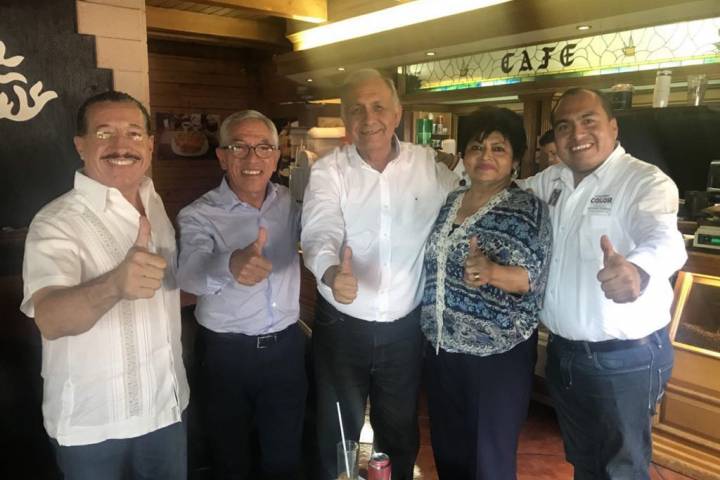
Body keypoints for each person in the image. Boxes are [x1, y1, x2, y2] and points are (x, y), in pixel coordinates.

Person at [518, 88, 687, 479]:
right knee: (585, 463)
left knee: (620, 470)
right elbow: (507, 192)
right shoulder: (552, 180)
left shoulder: (644, 181)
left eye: (588, 121)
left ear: (613, 127)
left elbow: (664, 238)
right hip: (564, 355)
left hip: (624, 360)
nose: (577, 133)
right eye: (564, 126)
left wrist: (638, 271)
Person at [20, 91, 189, 479]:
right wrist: (114, 285)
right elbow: (50, 319)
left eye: (134, 133)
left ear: (150, 144)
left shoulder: (154, 201)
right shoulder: (55, 221)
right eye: (104, 133)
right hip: (93, 426)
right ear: (80, 145)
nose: (121, 145)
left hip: (167, 409)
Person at [301, 69, 458, 480]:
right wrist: (331, 272)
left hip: (405, 328)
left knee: (400, 434)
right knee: (336, 433)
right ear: (345, 118)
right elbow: (319, 231)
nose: (368, 118)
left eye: (378, 107)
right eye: (356, 109)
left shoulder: (430, 166)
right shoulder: (330, 170)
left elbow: (470, 199)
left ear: (397, 113)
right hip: (341, 325)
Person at [421, 107, 552, 480]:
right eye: (477, 147)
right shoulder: (450, 202)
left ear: (515, 159)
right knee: (449, 451)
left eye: (498, 148)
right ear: (464, 155)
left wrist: (492, 272)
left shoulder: (527, 209)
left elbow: (531, 279)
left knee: (487, 462)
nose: (486, 156)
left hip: (496, 358)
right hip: (442, 350)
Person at [176, 110, 306, 480]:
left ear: (276, 157)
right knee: (229, 459)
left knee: (284, 458)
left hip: (286, 349)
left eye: (264, 148)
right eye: (239, 147)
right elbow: (189, 274)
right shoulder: (198, 214)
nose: (253, 158)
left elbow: (321, 235)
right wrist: (231, 264)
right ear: (222, 156)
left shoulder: (291, 203)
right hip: (225, 355)